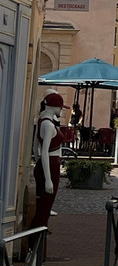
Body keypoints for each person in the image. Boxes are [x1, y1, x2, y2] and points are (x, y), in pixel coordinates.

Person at [30, 92, 68, 256]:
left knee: (42, 211)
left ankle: (34, 254)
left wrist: (39, 164)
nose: (62, 110)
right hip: (50, 166)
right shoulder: (48, 125)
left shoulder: (43, 121)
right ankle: (33, 254)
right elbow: (44, 152)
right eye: (61, 107)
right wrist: (47, 179)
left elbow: (35, 149)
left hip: (47, 165)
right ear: (55, 106)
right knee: (43, 213)